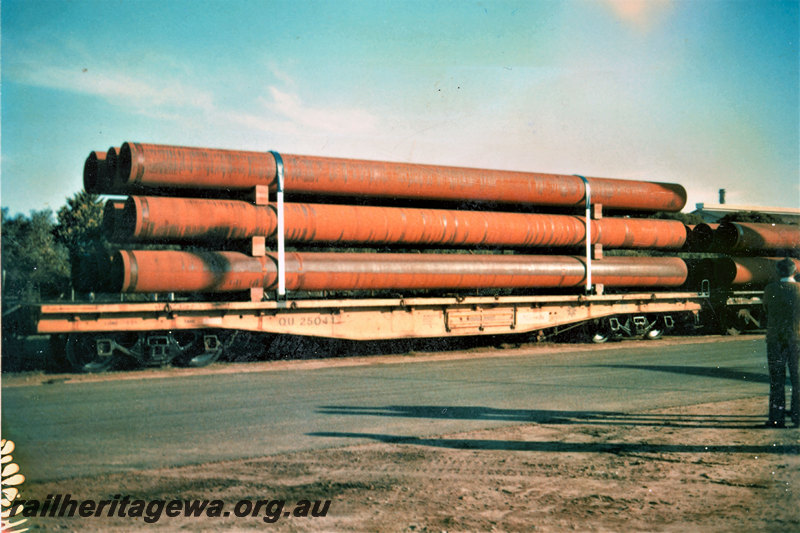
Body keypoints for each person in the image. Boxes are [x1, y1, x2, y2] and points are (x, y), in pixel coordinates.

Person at [762, 258, 800, 428]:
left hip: (775, 340)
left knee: (776, 380)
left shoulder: (770, 289)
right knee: (798, 379)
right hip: (797, 339)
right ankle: (798, 417)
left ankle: (776, 418)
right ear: (795, 272)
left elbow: (766, 309)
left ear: (778, 272)